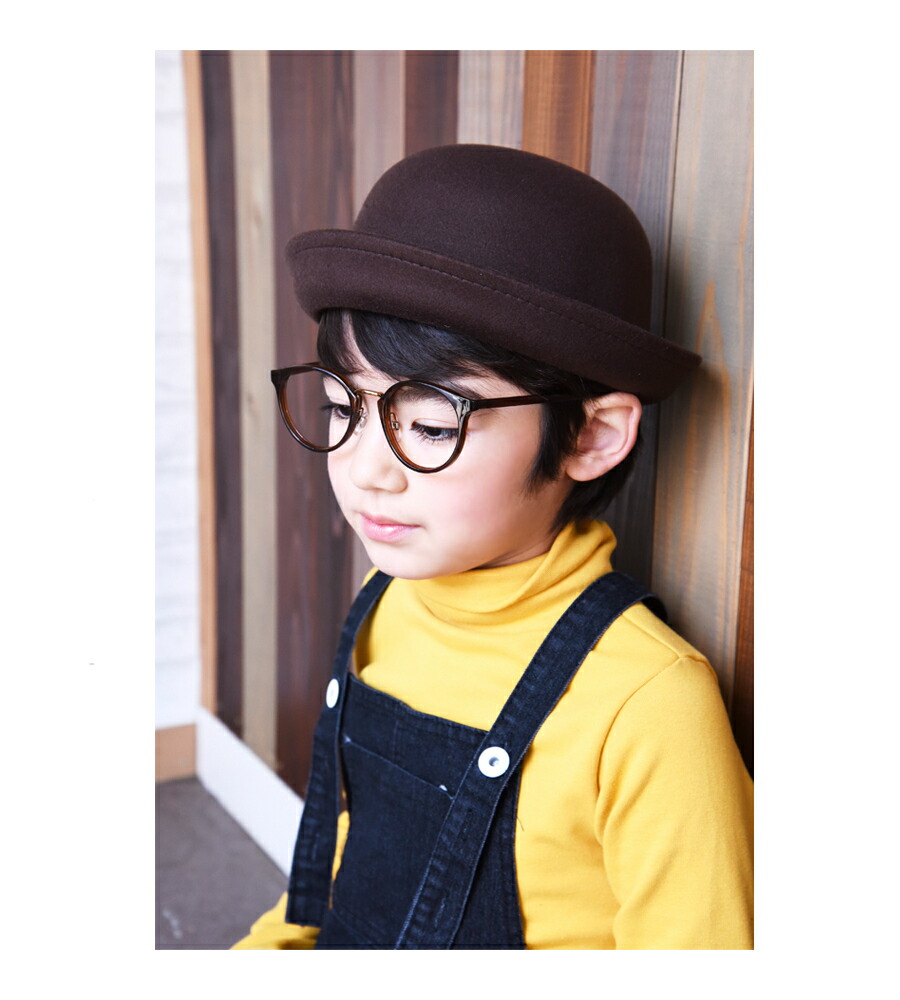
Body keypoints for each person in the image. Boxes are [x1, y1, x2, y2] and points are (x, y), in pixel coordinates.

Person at [232, 144, 753, 950]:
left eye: (431, 426)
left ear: (590, 436)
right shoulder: (386, 601)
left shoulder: (649, 704)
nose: (364, 471)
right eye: (341, 408)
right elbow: (341, 867)